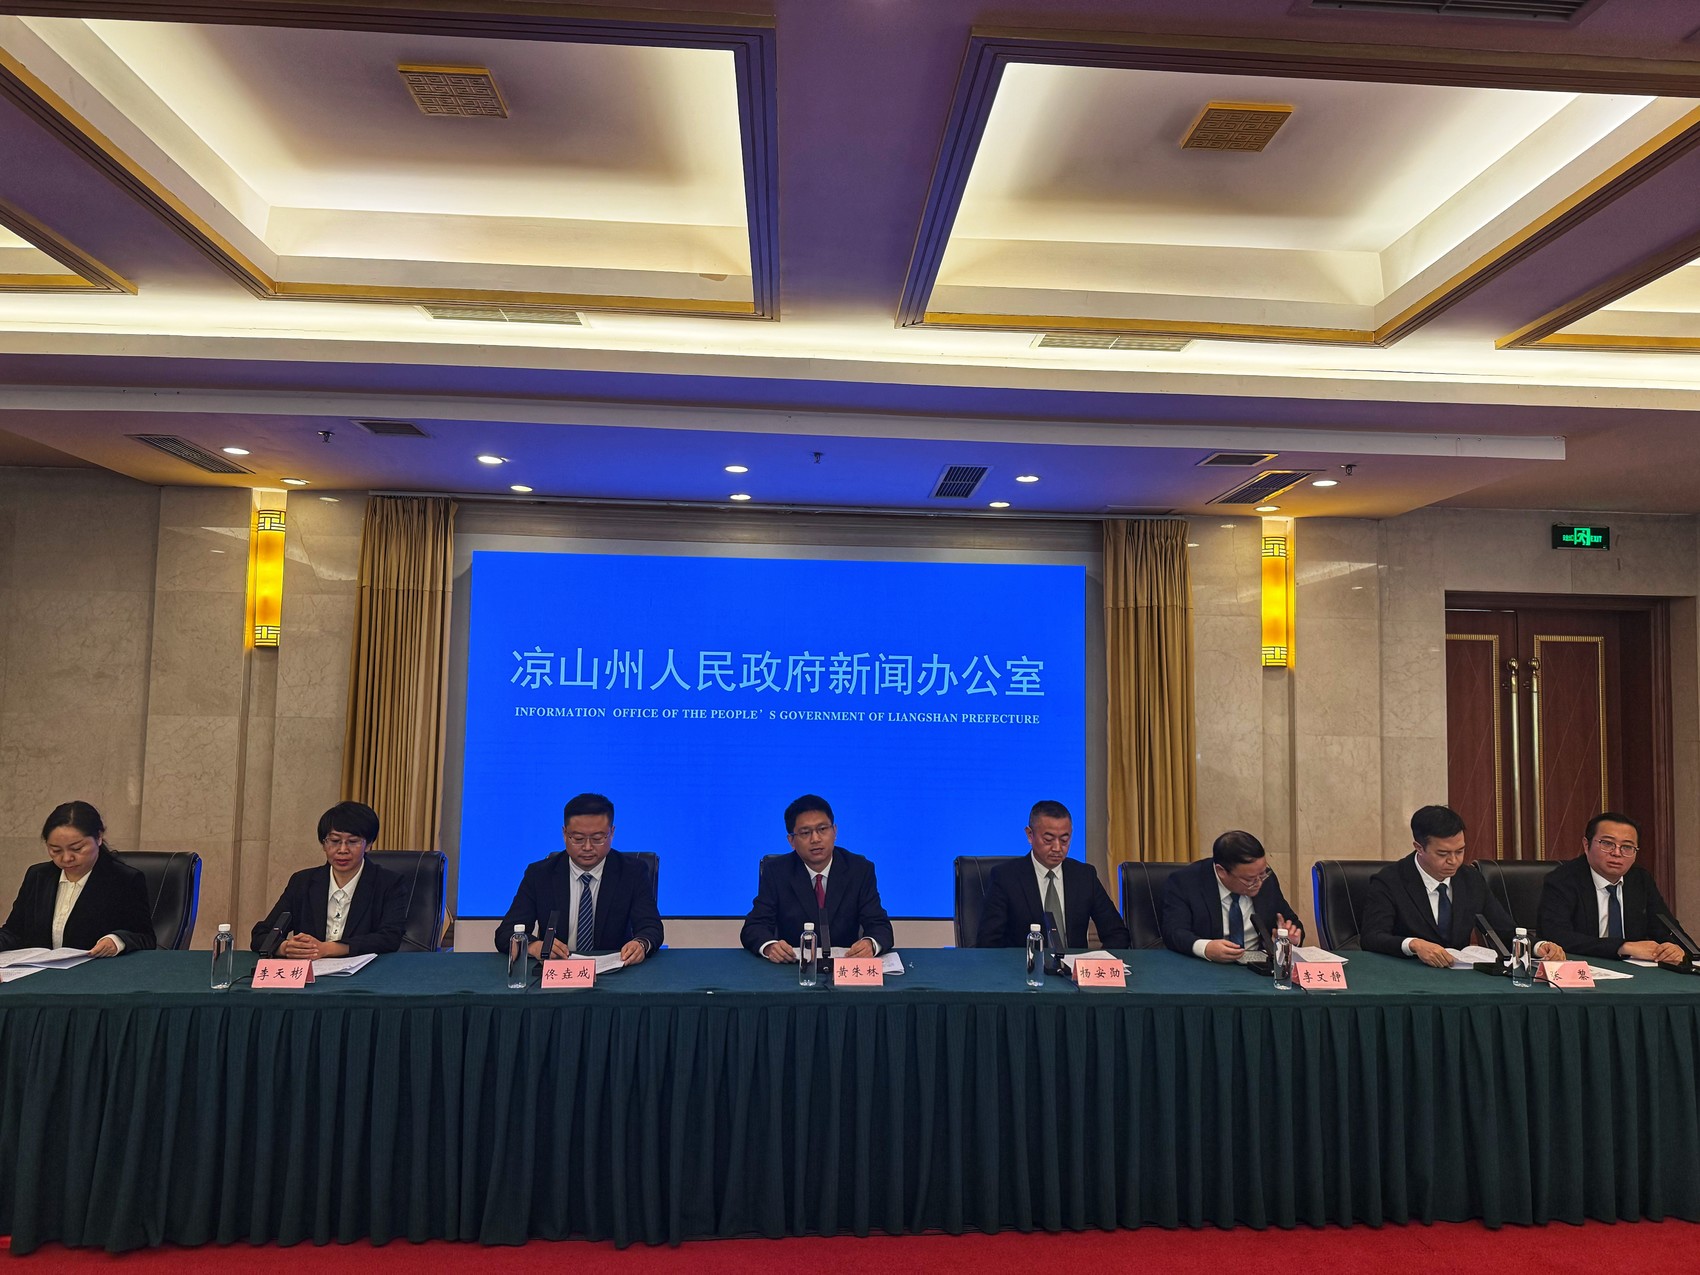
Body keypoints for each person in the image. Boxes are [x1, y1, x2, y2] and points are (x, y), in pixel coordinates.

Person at [1361, 805, 1564, 966]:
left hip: (1459, 978)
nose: (1454, 861)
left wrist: (1539, 947)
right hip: (1407, 974)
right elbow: (1372, 937)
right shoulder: (1390, 881)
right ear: (1419, 848)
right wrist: (1413, 944)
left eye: (1460, 851)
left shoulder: (1471, 879)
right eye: (1443, 854)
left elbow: (1504, 930)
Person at [495, 792, 661, 964]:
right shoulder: (540, 875)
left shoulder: (632, 873)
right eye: (578, 838)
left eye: (597, 838)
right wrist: (534, 946)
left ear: (612, 833)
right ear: (564, 833)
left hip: (615, 970)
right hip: (558, 972)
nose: (587, 847)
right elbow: (505, 933)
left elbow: (651, 927)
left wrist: (641, 944)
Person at [741, 794, 893, 961]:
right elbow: (754, 926)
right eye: (805, 832)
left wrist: (870, 944)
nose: (815, 839)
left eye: (822, 829)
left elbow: (880, 925)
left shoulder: (859, 869)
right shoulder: (777, 872)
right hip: (793, 966)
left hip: (845, 966)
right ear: (791, 840)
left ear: (834, 831)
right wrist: (770, 947)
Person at [250, 801, 407, 958]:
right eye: (334, 841)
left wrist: (327, 949)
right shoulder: (302, 882)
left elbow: (390, 938)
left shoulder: (389, 883)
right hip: (311, 970)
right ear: (324, 844)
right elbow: (261, 934)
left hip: (365, 970)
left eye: (353, 842)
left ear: (369, 844)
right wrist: (285, 947)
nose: (342, 850)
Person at [0, 801, 155, 956]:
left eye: (77, 848)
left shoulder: (124, 880)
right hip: (40, 968)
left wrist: (116, 941)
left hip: (94, 969)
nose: (66, 858)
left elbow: (145, 937)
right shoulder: (38, 876)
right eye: (56, 850)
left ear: (99, 837)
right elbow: (14, 932)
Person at [1537, 812, 1688, 964]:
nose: (1617, 853)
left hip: (1634, 970)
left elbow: (1666, 927)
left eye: (1627, 847)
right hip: (1584, 967)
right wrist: (1622, 947)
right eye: (1607, 844)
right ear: (1586, 845)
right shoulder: (1563, 880)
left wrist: (1674, 947)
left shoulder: (1640, 879)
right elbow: (1556, 936)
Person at [975, 800, 1130, 947]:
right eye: (1048, 840)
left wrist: (1097, 962)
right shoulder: (1005, 877)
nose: (1057, 848)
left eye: (1064, 840)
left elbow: (1117, 934)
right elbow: (988, 942)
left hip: (1073, 966)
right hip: (1025, 965)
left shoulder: (1084, 876)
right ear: (1030, 835)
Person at [1161, 829, 1303, 962]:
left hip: (1258, 967)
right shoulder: (1186, 882)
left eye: (1262, 874)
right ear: (1221, 871)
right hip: (1208, 967)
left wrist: (1290, 938)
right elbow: (1174, 932)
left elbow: (1292, 922)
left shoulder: (1266, 880)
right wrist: (1205, 948)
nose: (1259, 882)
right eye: (1249, 879)